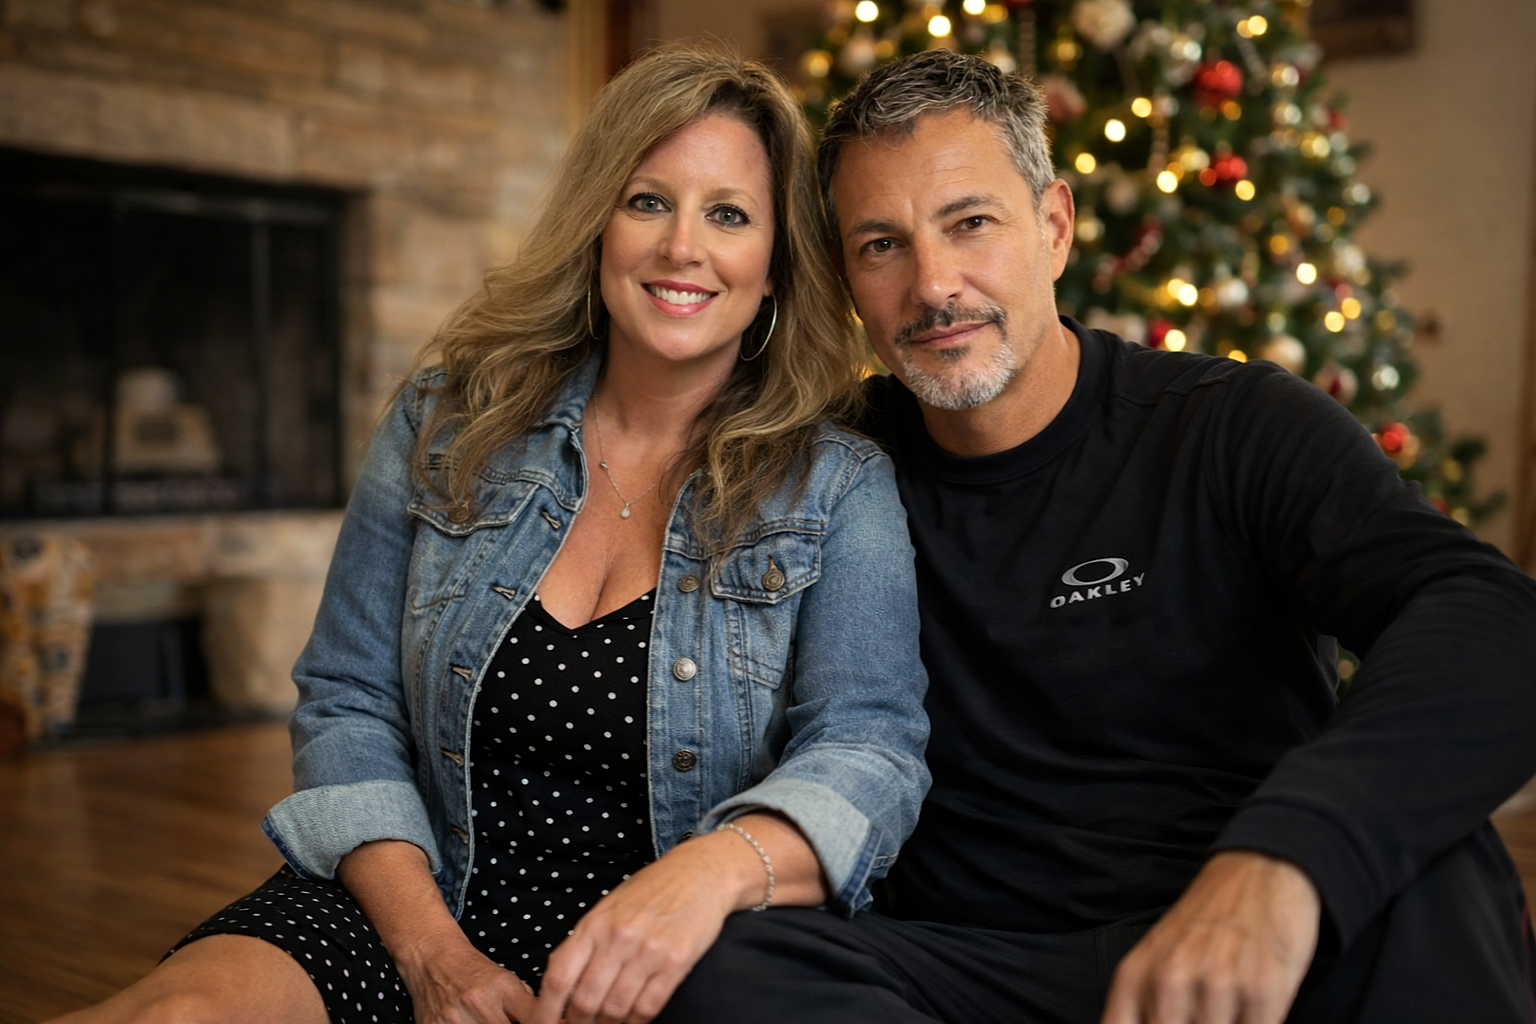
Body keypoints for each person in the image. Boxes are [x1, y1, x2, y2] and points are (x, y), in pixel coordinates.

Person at [49, 42, 930, 1024]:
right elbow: (346, 702)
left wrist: (701, 882)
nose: (684, 246)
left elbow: (870, 752)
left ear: (773, 269)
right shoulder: (448, 423)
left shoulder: (838, 483)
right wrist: (433, 957)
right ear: (597, 224)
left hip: (683, 963)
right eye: (648, 201)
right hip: (420, 909)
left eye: (728, 213)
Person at [657, 49, 1536, 1024]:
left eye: (971, 223)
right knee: (727, 968)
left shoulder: (1233, 424)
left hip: (1245, 959)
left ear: (1055, 225)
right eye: (881, 244)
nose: (934, 284)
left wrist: (1286, 855)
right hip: (982, 971)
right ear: (849, 279)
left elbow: (1492, 615)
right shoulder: (828, 471)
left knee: (1439, 864)